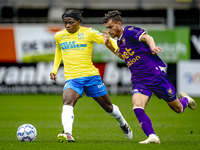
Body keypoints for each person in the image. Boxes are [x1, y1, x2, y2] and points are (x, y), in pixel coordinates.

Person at [102, 10, 197, 144]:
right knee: (137, 106)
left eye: (110, 27)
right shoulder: (120, 41)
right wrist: (108, 46)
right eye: (107, 28)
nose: (109, 30)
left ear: (119, 23)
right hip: (139, 80)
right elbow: (124, 57)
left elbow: (147, 37)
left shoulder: (128, 31)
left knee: (178, 109)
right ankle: (152, 136)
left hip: (155, 76)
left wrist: (152, 47)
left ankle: (185, 100)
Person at [50, 9, 132, 143]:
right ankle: (68, 133)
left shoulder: (89, 32)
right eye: (65, 23)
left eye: (71, 22)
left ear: (78, 22)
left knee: (108, 107)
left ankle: (123, 123)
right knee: (67, 101)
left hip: (91, 77)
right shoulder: (59, 36)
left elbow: (108, 40)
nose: (68, 26)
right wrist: (54, 69)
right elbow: (59, 51)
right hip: (72, 78)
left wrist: (121, 48)